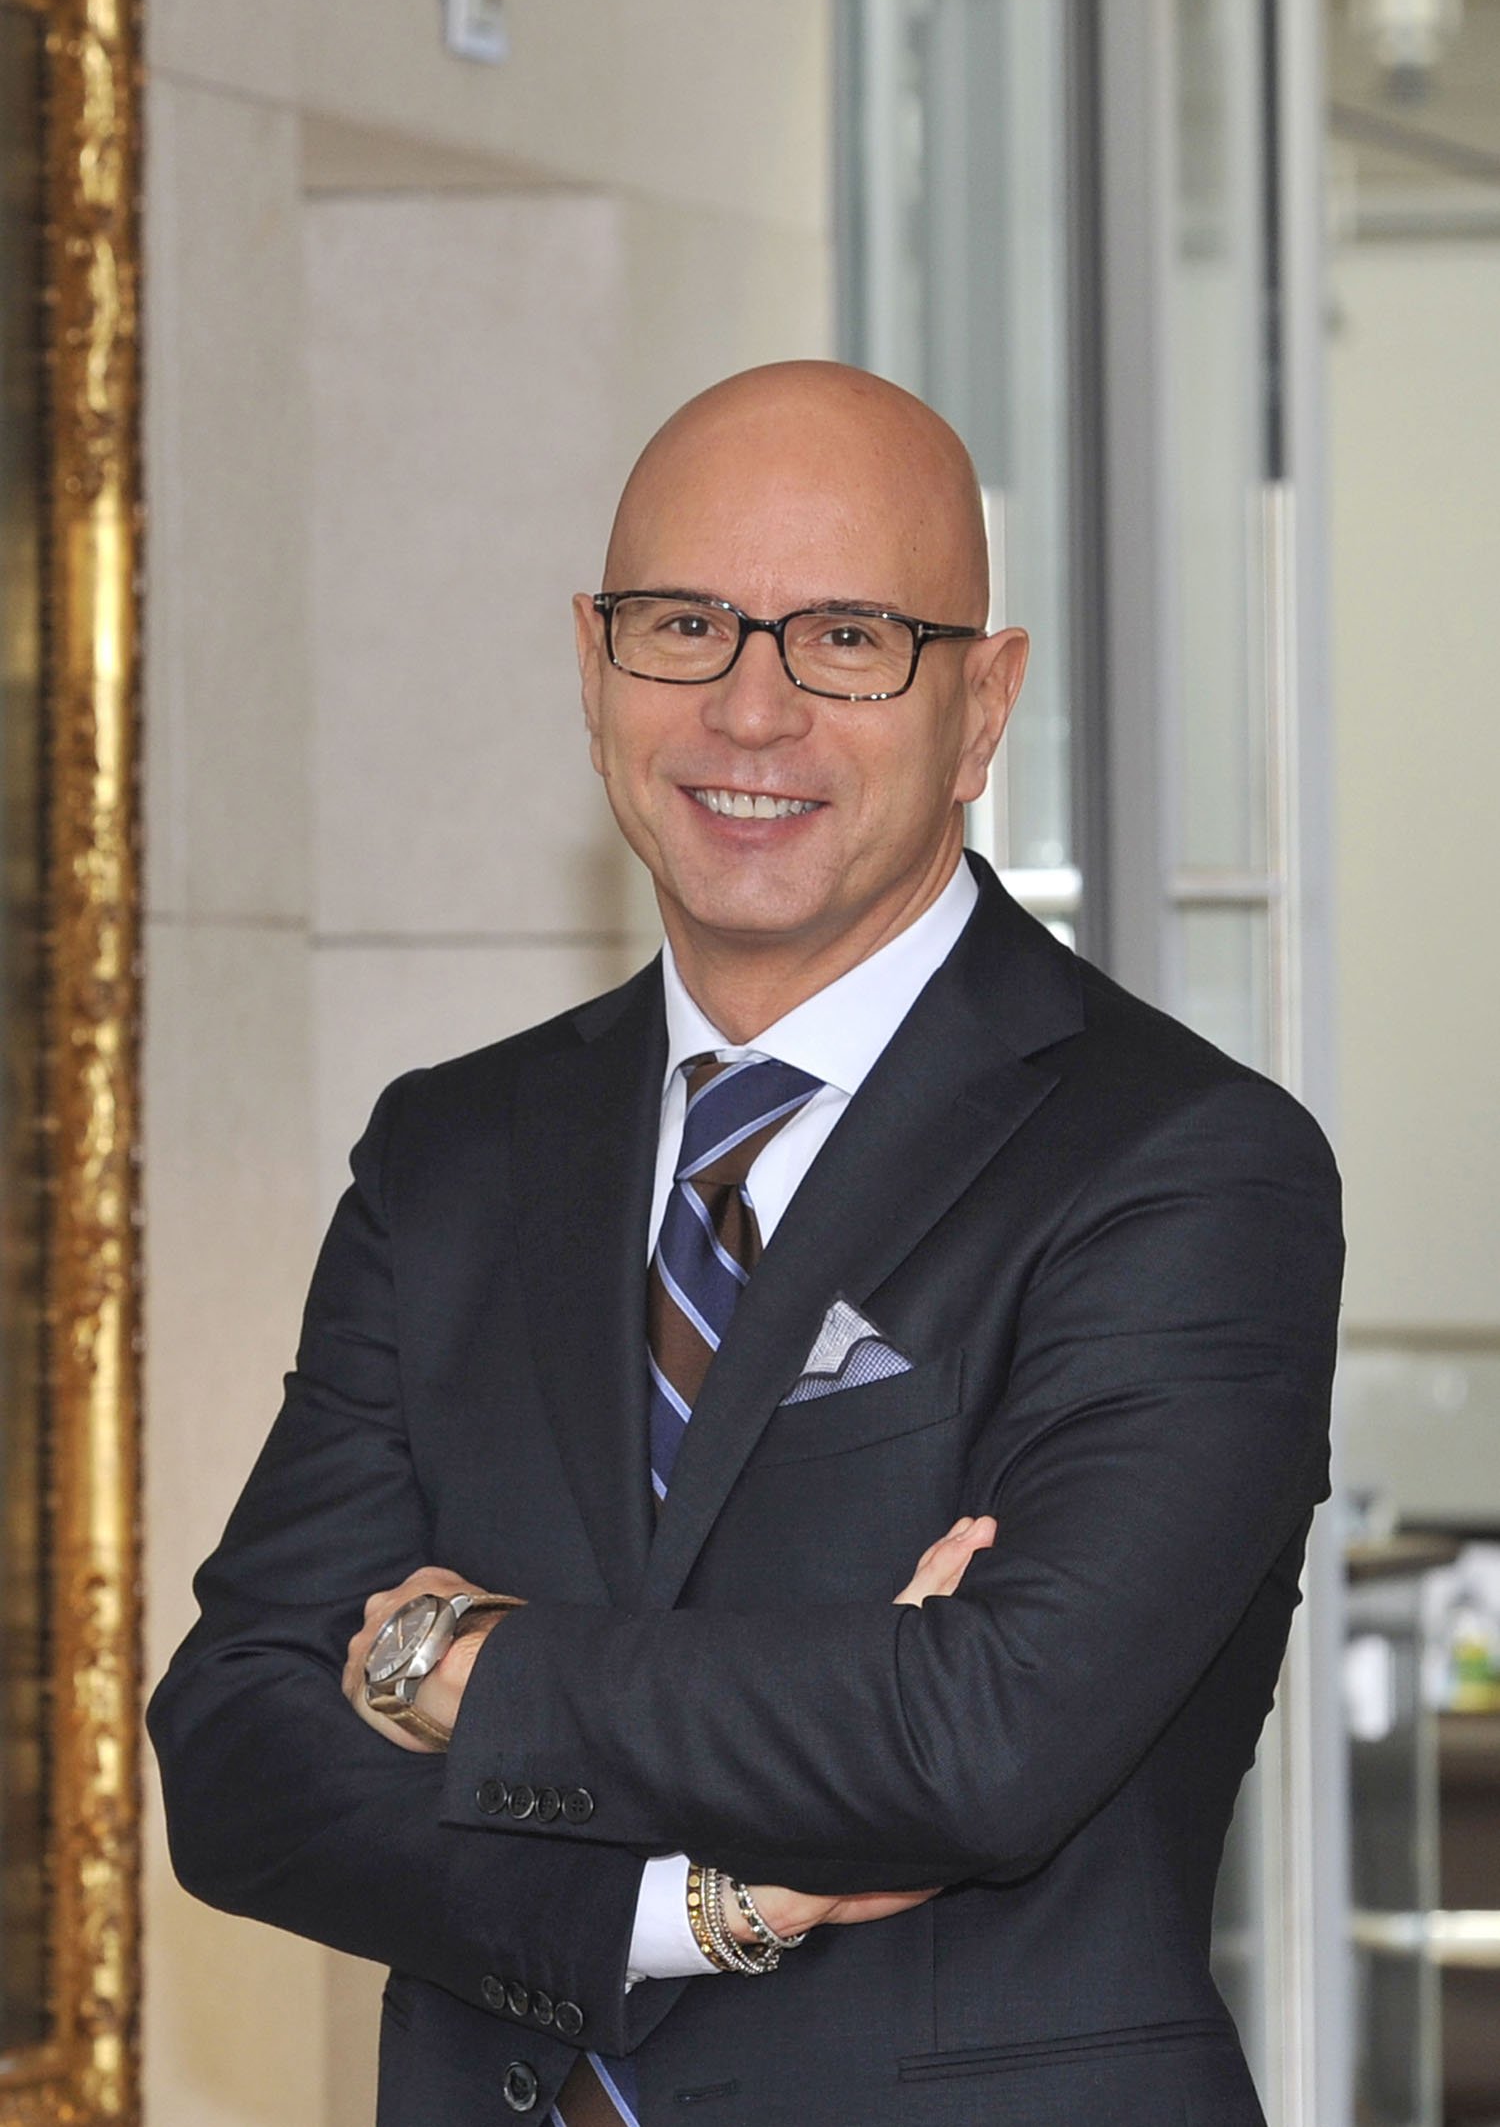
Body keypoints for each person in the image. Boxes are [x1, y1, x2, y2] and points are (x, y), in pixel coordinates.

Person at [148, 361, 1343, 2127]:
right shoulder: (451, 1155)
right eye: (685, 625)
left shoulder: (1185, 1163)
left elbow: (983, 1738)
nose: (751, 710)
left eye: (849, 638)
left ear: (985, 705)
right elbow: (237, 1744)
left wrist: (459, 1664)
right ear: (592, 666)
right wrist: (675, 1912)